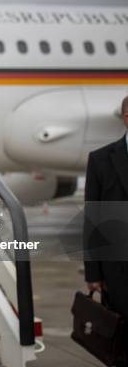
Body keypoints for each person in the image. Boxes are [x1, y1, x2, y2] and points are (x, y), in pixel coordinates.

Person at [83, 95, 128, 364]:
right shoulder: (101, 160)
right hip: (119, 271)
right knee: (121, 344)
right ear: (126, 118)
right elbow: (93, 219)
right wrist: (93, 273)